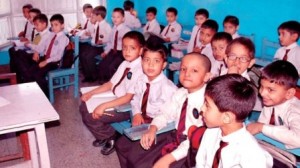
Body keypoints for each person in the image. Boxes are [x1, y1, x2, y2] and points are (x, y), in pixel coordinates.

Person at [136, 53, 211, 168]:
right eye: (183, 69)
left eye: (194, 70)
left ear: (206, 76)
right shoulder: (180, 93)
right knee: (130, 149)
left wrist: (169, 158)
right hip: (175, 137)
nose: (187, 74)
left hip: (194, 148)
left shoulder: (208, 103)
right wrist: (153, 128)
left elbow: (198, 138)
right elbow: (165, 113)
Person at [80, 31, 145, 155]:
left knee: (91, 116)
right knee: (83, 106)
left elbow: (127, 98)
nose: (127, 51)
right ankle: (105, 135)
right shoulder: (125, 63)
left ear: (141, 50)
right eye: (124, 47)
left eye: (132, 48)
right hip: (115, 97)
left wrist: (103, 106)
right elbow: (110, 84)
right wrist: (91, 93)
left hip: (127, 107)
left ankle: (112, 137)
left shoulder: (139, 69)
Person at [115, 43, 178, 168]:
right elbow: (136, 99)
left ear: (164, 65)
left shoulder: (168, 88)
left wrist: (152, 128)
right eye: (146, 60)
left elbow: (171, 116)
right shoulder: (141, 80)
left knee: (135, 157)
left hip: (161, 129)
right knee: (121, 145)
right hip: (142, 121)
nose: (150, 65)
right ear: (141, 62)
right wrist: (137, 113)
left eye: (156, 61)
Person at [195, 74, 273, 168]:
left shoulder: (251, 154)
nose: (201, 108)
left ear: (227, 117)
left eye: (207, 105)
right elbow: (200, 163)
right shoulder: (210, 132)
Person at [247, 60, 300, 149]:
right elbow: (261, 124)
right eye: (261, 86)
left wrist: (262, 127)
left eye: (270, 90)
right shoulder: (270, 101)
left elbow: (298, 139)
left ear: (289, 94)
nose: (262, 93)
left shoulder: (294, 110)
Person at [20, 14, 69, 96]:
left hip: (54, 62)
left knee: (38, 74)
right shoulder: (50, 35)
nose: (53, 27)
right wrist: (32, 48)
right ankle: (34, 94)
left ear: (62, 25)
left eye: (56, 25)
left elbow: (58, 56)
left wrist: (46, 62)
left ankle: (46, 96)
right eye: (52, 25)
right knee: (28, 72)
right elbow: (41, 48)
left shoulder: (63, 38)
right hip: (45, 58)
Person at [79, 5, 112, 83]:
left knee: (89, 56)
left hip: (101, 47)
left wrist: (103, 40)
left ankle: (94, 76)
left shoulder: (107, 26)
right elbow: (95, 35)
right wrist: (90, 34)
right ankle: (88, 76)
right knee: (83, 55)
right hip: (94, 45)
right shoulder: (97, 24)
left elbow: (110, 38)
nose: (92, 16)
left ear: (99, 16)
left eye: (94, 15)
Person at [98, 8, 131, 83]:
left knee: (111, 67)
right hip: (113, 51)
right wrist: (106, 52)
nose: (115, 19)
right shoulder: (113, 29)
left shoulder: (127, 30)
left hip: (122, 53)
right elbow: (110, 43)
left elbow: (128, 45)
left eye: (118, 17)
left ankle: (115, 84)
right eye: (113, 17)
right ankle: (105, 83)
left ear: (123, 18)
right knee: (102, 65)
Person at [9, 8, 41, 76]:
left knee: (19, 55)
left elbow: (36, 44)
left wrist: (28, 43)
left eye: (32, 17)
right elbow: (33, 41)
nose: (30, 19)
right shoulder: (34, 27)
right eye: (30, 17)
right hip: (31, 48)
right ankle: (15, 76)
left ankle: (21, 77)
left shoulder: (39, 29)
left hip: (36, 53)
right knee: (13, 51)